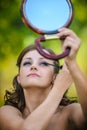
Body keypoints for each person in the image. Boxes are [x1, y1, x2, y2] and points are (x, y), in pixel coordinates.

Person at [0, 28, 87, 130]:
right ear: (19, 78)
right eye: (27, 63)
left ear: (55, 77)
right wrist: (58, 89)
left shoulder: (69, 112)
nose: (33, 67)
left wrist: (72, 63)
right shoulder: (6, 112)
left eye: (43, 63)